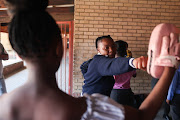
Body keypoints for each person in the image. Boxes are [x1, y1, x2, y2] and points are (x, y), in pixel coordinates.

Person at [0, 0, 178, 120]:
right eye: (106, 48)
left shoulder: (3, 106)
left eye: (112, 47)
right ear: (60, 48)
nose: (110, 50)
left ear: (19, 54)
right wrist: (169, 68)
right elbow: (144, 116)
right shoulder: (90, 108)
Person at [81, 35, 145, 97]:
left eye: (113, 46)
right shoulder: (100, 61)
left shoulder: (96, 60)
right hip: (91, 101)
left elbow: (83, 66)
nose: (111, 50)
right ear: (98, 50)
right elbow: (113, 64)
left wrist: (88, 77)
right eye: (106, 48)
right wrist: (132, 62)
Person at [110, 40, 136, 107]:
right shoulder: (131, 62)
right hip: (128, 91)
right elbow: (134, 75)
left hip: (114, 92)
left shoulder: (111, 62)